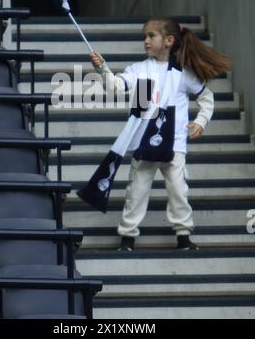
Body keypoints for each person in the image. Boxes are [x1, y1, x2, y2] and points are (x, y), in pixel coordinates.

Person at [90, 18, 230, 251]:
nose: (146, 41)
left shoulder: (183, 73)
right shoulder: (139, 70)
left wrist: (201, 121)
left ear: (169, 40)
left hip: (174, 144)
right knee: (136, 191)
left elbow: (206, 97)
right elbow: (115, 86)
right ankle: (127, 238)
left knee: (178, 189)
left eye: (151, 36)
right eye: (145, 36)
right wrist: (102, 68)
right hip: (143, 142)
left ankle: (183, 236)